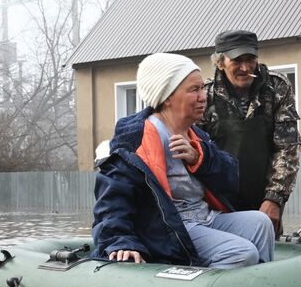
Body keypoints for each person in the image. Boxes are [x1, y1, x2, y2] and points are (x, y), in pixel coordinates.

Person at [91, 53, 275, 268]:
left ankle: (261, 286)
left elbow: (231, 180)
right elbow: (113, 198)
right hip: (170, 229)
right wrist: (119, 241)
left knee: (261, 223)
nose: (203, 97)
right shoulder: (134, 139)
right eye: (194, 89)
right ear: (167, 97)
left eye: (202, 88)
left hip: (205, 217)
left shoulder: (197, 135)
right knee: (241, 253)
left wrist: (199, 157)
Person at [200, 29, 301, 235]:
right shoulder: (204, 95)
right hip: (218, 205)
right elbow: (197, 154)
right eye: (237, 61)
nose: (245, 68)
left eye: (250, 59)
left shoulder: (277, 88)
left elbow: (287, 147)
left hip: (264, 200)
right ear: (220, 62)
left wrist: (274, 199)